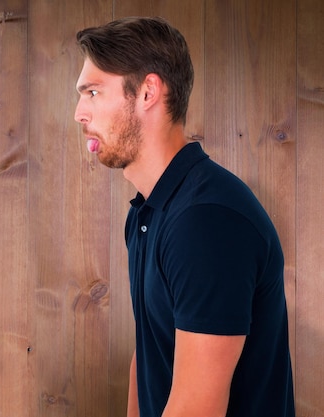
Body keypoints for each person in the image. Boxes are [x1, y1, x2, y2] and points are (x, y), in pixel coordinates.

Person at [74, 17, 295, 417]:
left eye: (92, 92)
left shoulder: (206, 221)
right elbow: (150, 354)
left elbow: (197, 408)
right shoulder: (148, 211)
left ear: (147, 93)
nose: (79, 113)